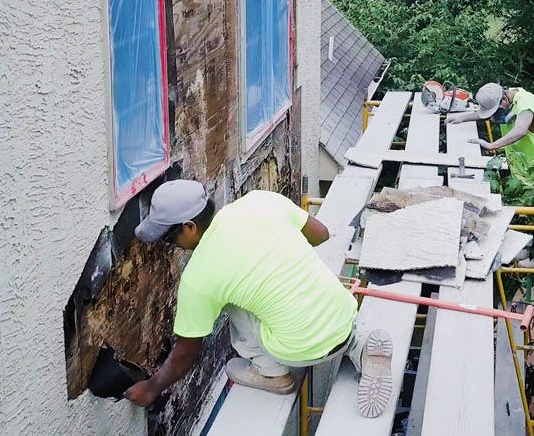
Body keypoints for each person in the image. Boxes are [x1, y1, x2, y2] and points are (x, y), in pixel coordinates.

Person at [123, 179, 394, 418]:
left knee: (234, 302)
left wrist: (151, 388)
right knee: (293, 273)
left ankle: (272, 373)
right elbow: (320, 234)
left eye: (169, 238)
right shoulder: (259, 201)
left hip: (298, 350)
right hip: (342, 317)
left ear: (190, 227)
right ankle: (360, 348)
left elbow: (186, 354)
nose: (171, 246)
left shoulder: (198, 277)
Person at [447, 82, 534, 190]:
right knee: (524, 207)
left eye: (495, 112)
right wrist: (462, 118)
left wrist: (492, 145)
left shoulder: (526, 104)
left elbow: (521, 130)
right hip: (523, 170)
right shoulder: (506, 96)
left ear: (504, 100)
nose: (494, 116)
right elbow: (484, 112)